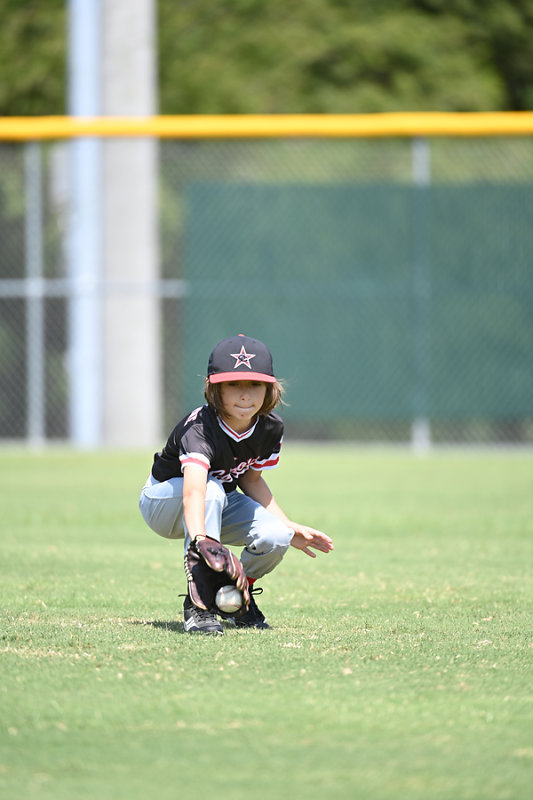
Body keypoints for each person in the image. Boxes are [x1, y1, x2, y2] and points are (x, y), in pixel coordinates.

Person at [139, 334, 333, 634]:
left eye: (254, 384)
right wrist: (201, 541)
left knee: (276, 536)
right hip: (165, 503)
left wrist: (289, 527)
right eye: (233, 384)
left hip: (215, 501)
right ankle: (200, 600)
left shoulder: (270, 428)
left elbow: (251, 479)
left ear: (269, 388)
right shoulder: (201, 428)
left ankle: (234, 596)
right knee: (212, 490)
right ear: (214, 388)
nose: (245, 395)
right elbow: (194, 491)